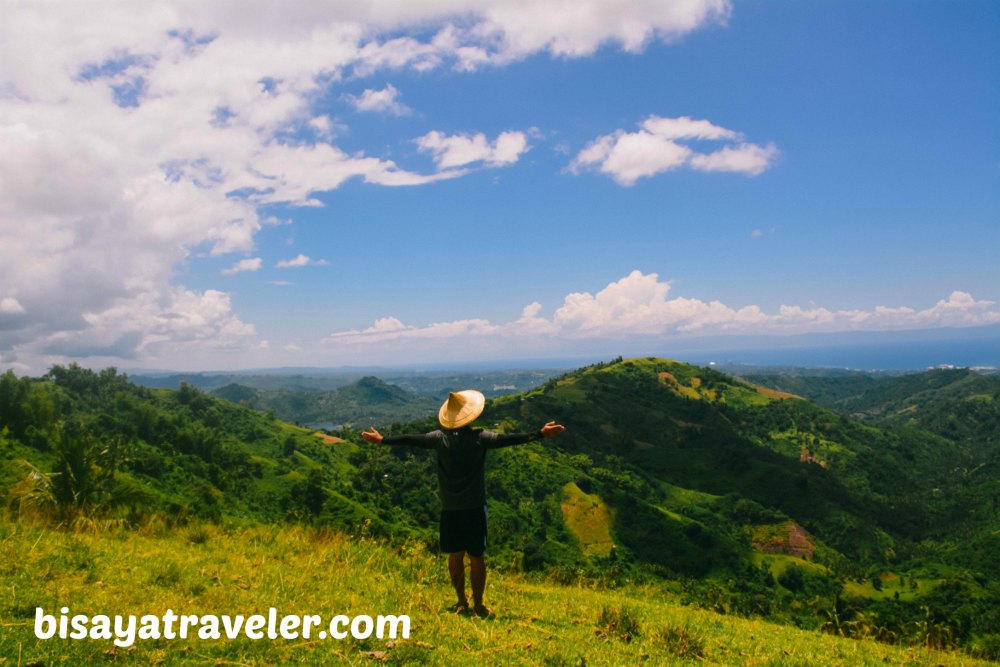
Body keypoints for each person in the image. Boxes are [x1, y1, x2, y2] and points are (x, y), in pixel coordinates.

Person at [362, 389, 565, 618]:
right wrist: (539, 433)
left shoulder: (438, 439)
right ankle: (479, 605)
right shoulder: (480, 438)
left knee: (455, 555)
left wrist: (382, 440)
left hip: (450, 509)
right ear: (472, 415)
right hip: (475, 507)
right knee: (476, 556)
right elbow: (510, 440)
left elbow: (411, 440)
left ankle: (461, 603)